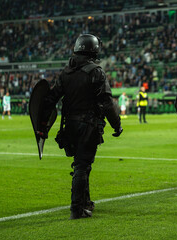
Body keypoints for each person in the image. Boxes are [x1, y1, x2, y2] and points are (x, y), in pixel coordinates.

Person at [39, 34, 123, 219]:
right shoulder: (96, 72)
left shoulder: (66, 73)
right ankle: (77, 209)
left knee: (81, 165)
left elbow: (50, 99)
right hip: (89, 126)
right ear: (93, 50)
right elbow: (107, 103)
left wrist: (42, 125)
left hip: (69, 126)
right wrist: (117, 125)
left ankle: (85, 202)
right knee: (82, 166)